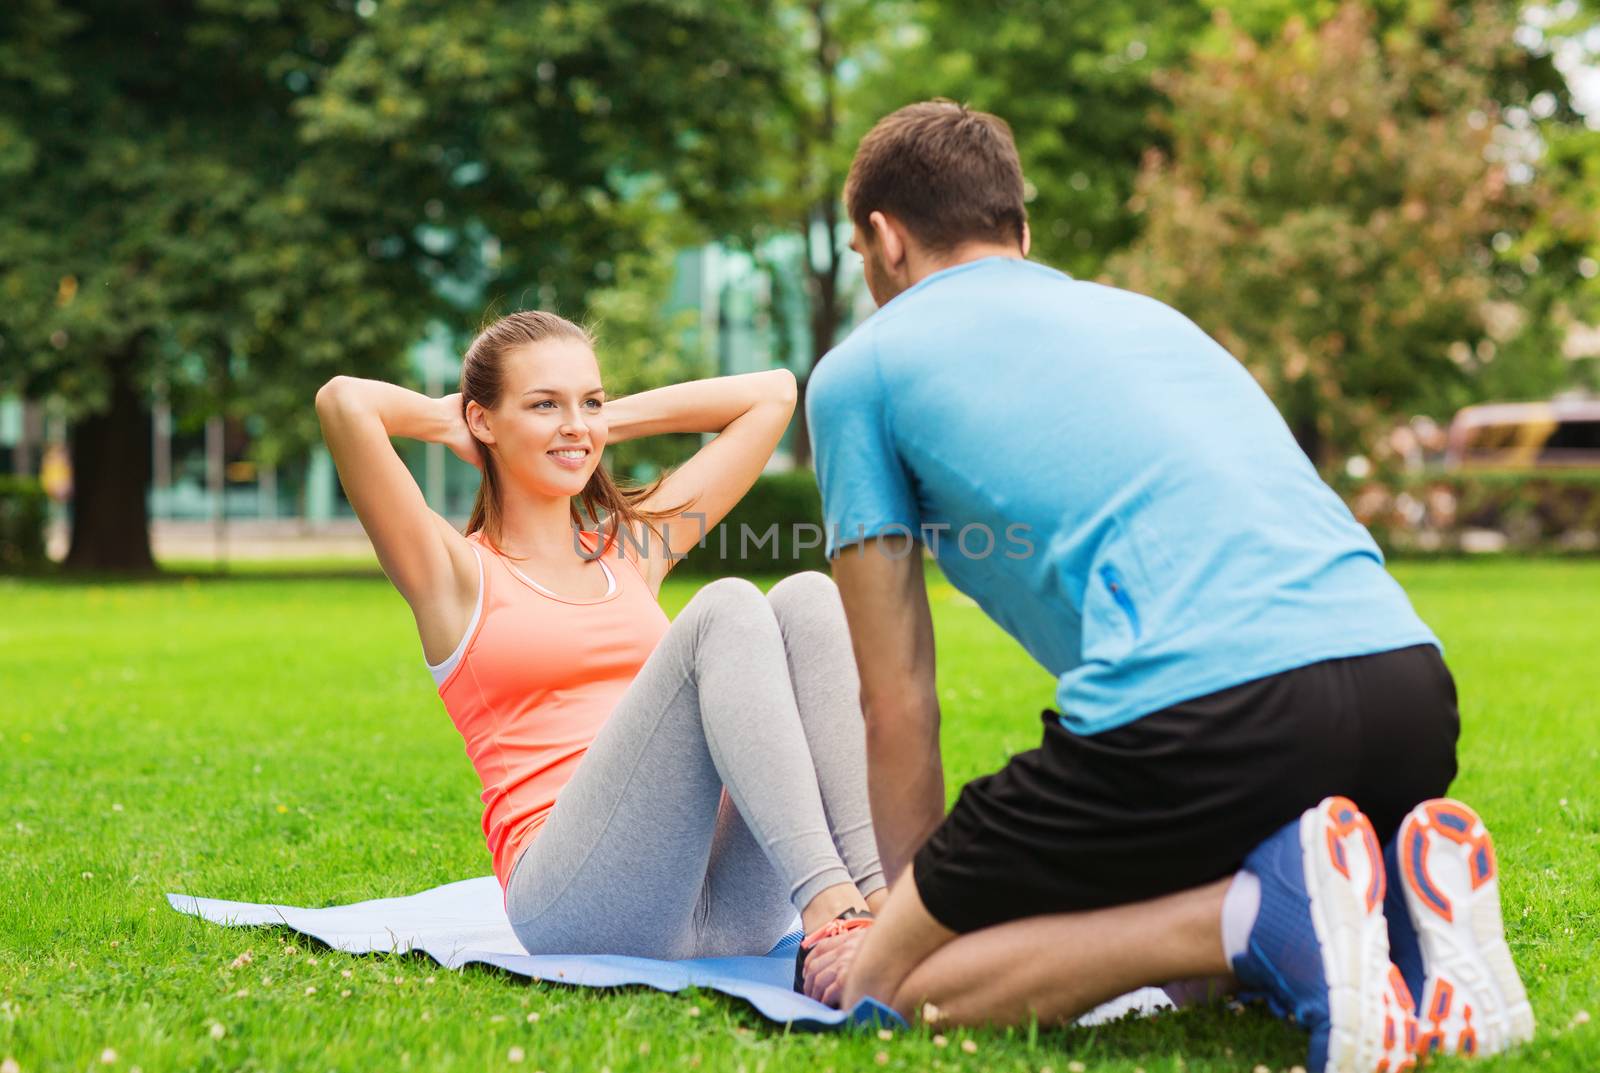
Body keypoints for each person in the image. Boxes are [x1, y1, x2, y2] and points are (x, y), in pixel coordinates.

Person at [797, 100, 1534, 1070]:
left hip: (1209, 716)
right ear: (1021, 227)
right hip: (1406, 696)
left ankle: (1249, 914)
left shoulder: (862, 371)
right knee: (1142, 932)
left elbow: (894, 700)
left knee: (886, 989)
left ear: (883, 240)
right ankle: (1398, 921)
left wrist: (912, 911)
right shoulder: (1150, 318)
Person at [315, 309, 884, 970]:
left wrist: (591, 422)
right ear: (482, 420)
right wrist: (452, 419)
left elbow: (774, 393)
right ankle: (832, 908)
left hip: (723, 903)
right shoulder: (454, 575)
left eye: (589, 401)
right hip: (578, 900)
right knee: (726, 605)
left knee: (808, 596)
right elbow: (344, 402)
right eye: (543, 404)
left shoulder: (631, 551)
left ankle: (880, 900)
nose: (575, 424)